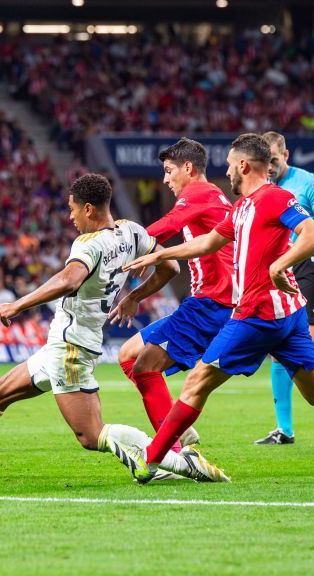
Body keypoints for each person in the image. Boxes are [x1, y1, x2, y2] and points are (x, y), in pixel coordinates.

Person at [0, 174, 228, 483]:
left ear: (89, 208)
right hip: (65, 345)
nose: (70, 216)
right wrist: (135, 296)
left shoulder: (88, 244)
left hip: (70, 348)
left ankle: (180, 462)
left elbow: (69, 279)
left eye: (73, 209)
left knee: (91, 436)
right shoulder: (131, 232)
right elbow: (170, 269)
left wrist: (18, 304)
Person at [118, 134, 314, 483]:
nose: (228, 173)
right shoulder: (242, 208)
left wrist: (280, 267)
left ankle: (151, 461)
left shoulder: (276, 198)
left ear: (244, 166)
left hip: (256, 314)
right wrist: (161, 253)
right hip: (288, 317)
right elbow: (206, 242)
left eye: (232, 166)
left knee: (195, 385)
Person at [110, 138, 234, 454]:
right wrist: (136, 294)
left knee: (144, 367)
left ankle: (172, 452)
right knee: (128, 354)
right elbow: (172, 262)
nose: (165, 180)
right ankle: (177, 429)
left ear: (188, 168)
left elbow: (165, 227)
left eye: (168, 171)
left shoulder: (198, 193)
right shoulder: (213, 196)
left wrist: (116, 243)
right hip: (216, 303)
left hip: (211, 303)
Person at [253, 132, 314, 446]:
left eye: (274, 161)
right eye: (265, 162)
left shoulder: (307, 183)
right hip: (274, 270)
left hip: (307, 267)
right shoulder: (260, 187)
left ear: (287, 155)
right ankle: (284, 429)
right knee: (277, 351)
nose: (269, 167)